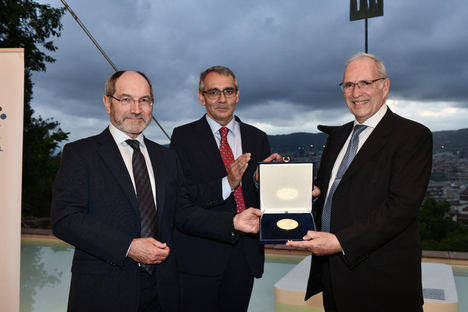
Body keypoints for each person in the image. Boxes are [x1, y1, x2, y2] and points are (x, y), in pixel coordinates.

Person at [51, 70, 262, 312]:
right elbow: (65, 219)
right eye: (126, 99)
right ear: (108, 103)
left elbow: (184, 213)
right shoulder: (81, 154)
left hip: (162, 292)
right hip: (104, 290)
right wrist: (129, 247)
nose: (136, 109)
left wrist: (233, 222)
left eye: (145, 100)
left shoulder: (166, 158)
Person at [287, 53, 433, 312]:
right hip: (334, 277)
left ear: (384, 86)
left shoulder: (413, 136)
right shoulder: (337, 136)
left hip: (384, 284)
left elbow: (401, 208)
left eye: (365, 83)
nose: (356, 93)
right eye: (349, 85)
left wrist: (340, 242)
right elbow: (329, 190)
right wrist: (310, 193)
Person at [170, 65, 280, 312]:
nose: (222, 99)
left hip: (245, 256)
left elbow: (264, 199)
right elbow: (182, 199)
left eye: (228, 91)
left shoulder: (258, 137)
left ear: (237, 95)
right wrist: (227, 183)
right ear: (201, 97)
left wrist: (268, 182)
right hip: (200, 257)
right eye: (213, 92)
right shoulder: (183, 138)